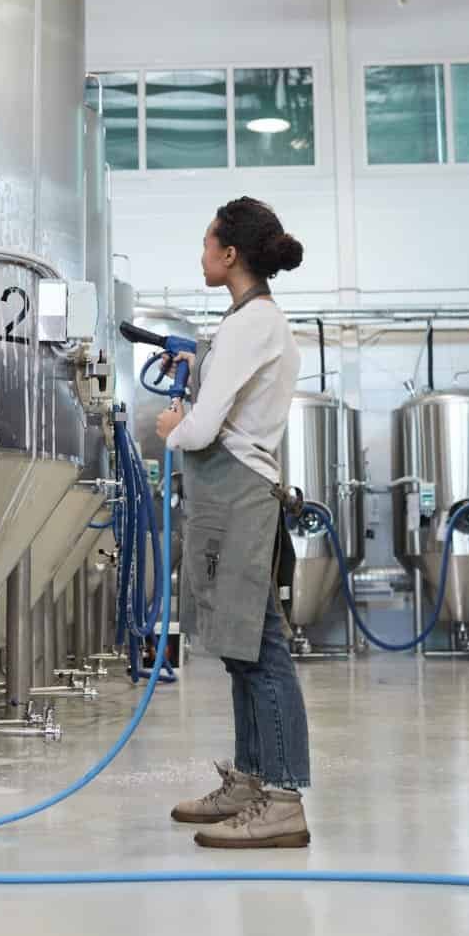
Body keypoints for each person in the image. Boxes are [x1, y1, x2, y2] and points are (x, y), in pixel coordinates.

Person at [154, 197, 309, 850]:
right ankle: (251, 781)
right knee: (242, 650)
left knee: (262, 647)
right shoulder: (245, 322)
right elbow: (223, 410)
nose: (202, 253)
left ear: (231, 253)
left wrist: (173, 427)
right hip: (230, 489)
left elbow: (205, 428)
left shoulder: (254, 324)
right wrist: (197, 376)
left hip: (240, 492)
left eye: (207, 241)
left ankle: (282, 799)